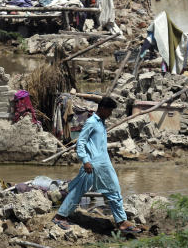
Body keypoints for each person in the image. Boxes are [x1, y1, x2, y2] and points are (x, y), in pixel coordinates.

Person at [52, 96, 141, 235]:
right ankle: (60, 217)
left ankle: (121, 222)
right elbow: (80, 142)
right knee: (78, 191)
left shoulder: (101, 123)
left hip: (103, 165)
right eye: (110, 111)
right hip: (91, 165)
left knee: (114, 190)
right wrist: (85, 160)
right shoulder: (92, 122)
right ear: (103, 109)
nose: (110, 114)